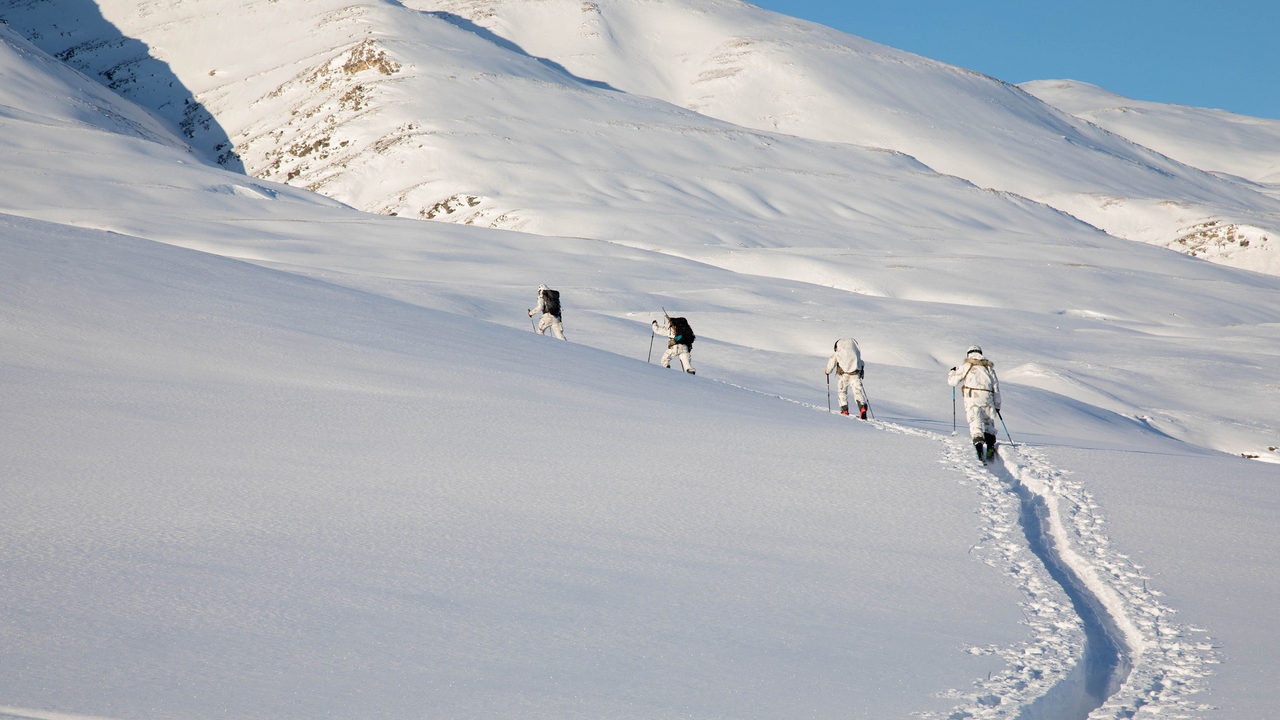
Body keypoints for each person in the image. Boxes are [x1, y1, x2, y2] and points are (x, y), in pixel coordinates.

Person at [948, 345, 1002, 462]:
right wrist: (997, 406)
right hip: (987, 397)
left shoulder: (966, 366)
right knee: (988, 422)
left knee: (975, 421)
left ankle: (979, 448)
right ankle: (990, 448)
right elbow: (996, 388)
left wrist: (952, 372)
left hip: (972, 398)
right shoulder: (988, 368)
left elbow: (953, 382)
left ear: (968, 354)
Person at [825, 337, 868, 419]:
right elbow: (861, 363)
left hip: (843, 375)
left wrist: (827, 371)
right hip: (855, 374)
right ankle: (862, 407)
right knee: (857, 392)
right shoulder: (855, 352)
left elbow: (832, 362)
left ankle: (844, 409)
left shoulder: (838, 352)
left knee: (842, 392)